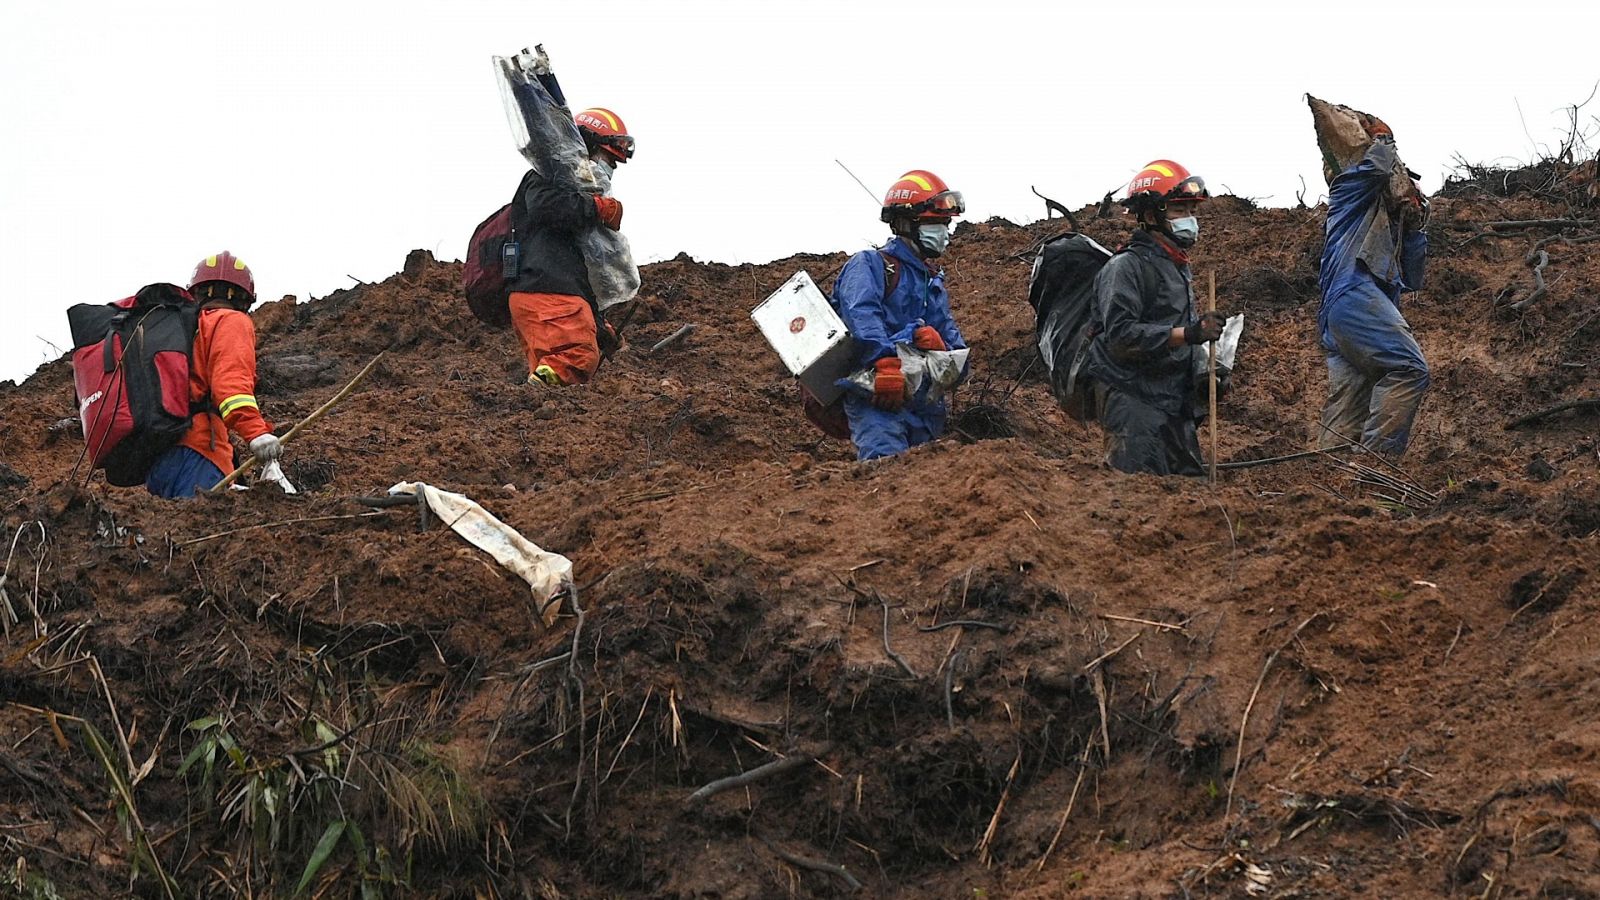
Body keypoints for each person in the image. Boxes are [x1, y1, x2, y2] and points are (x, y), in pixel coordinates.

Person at [1086, 159, 1225, 476]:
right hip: (1134, 403)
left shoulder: (1176, 266)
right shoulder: (1126, 267)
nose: (1189, 220)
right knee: (1138, 501)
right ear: (1151, 215)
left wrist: (1205, 369)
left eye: (1191, 210)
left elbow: (1176, 334)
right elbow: (1121, 337)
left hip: (1173, 400)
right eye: (1179, 211)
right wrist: (1187, 334)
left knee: (1188, 495)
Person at [832, 169, 968, 461]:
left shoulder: (932, 283)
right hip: (879, 400)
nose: (944, 232)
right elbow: (862, 314)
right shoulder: (869, 265)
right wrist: (884, 361)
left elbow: (958, 354)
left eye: (945, 223)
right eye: (935, 223)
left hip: (926, 410)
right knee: (887, 475)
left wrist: (943, 348)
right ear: (906, 223)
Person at [1316, 117, 1429, 457]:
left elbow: (1413, 278)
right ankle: (1377, 466)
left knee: (1349, 401)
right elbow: (1376, 168)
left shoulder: (1383, 216)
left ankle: (1330, 481)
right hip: (1353, 296)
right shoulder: (1347, 190)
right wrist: (1385, 141)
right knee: (1409, 370)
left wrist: (1414, 224)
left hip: (1345, 314)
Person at [507, 107, 631, 387]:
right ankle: (532, 400)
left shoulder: (572, 188)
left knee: (559, 380)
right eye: (608, 158)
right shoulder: (547, 173)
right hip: (547, 292)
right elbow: (545, 206)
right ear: (585, 146)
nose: (610, 168)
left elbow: (577, 267)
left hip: (544, 293)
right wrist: (596, 207)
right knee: (576, 357)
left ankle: (534, 420)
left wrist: (599, 325)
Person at [144, 252, 280, 499]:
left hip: (158, 458)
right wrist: (256, 433)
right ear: (243, 299)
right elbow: (230, 387)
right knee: (204, 532)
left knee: (174, 532)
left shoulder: (182, 328)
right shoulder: (231, 321)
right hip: (200, 451)